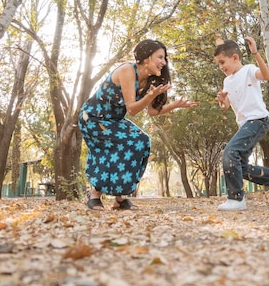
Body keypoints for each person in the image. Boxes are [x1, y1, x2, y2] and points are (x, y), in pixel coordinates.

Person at [79, 39, 197, 211]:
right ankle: (94, 195)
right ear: (146, 57)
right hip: (93, 118)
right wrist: (150, 96)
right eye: (160, 57)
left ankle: (120, 198)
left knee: (141, 141)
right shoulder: (128, 70)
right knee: (115, 146)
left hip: (114, 120)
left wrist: (175, 105)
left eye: (165, 59)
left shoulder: (151, 80)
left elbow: (152, 112)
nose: (163, 63)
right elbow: (133, 109)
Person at [214, 37, 269, 211]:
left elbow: (266, 76)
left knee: (230, 152)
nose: (221, 67)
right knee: (240, 166)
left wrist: (255, 53)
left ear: (235, 58)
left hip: (258, 120)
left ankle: (236, 199)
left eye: (222, 62)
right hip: (245, 124)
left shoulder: (249, 70)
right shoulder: (227, 81)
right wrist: (222, 101)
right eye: (218, 64)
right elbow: (226, 106)